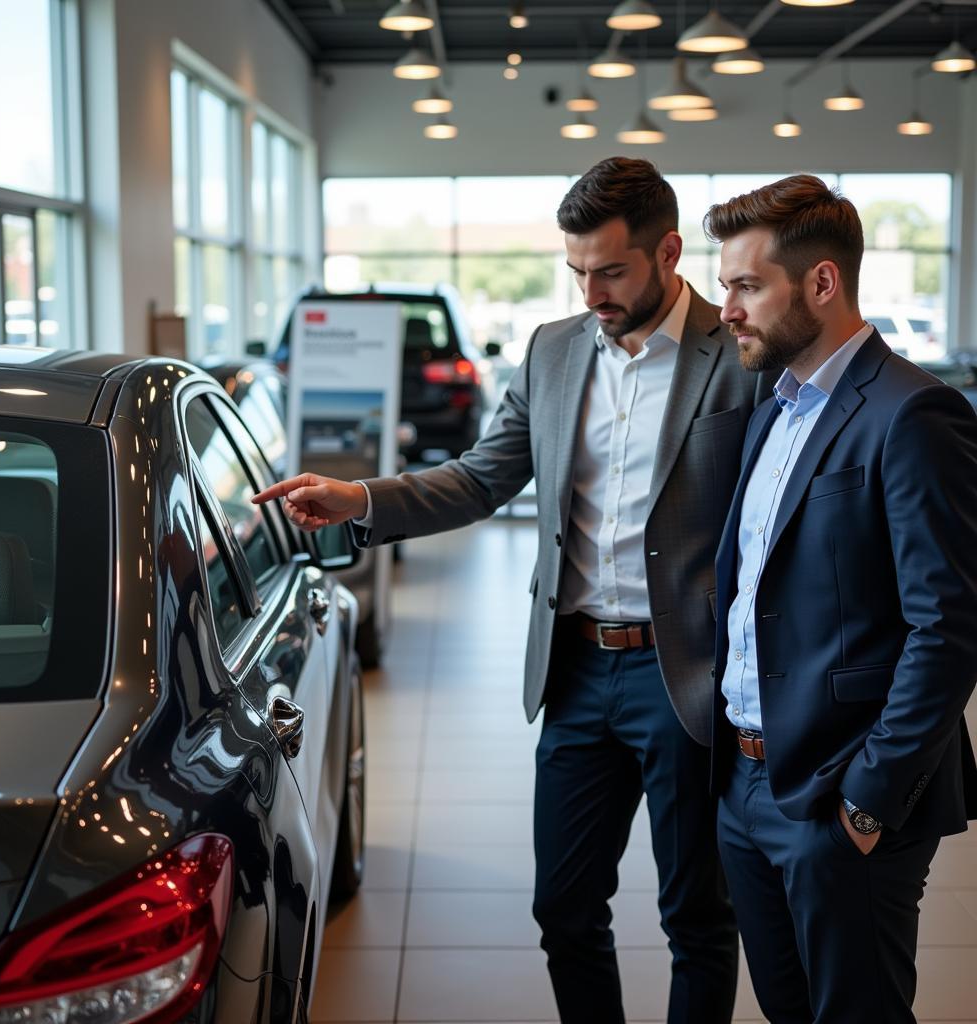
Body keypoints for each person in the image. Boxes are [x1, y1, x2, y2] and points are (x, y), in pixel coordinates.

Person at [254, 157, 772, 1024]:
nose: (591, 291)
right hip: (573, 672)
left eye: (610, 270)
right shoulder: (553, 350)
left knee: (698, 918)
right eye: (576, 271)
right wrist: (361, 500)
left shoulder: (737, 355)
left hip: (685, 674)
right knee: (564, 910)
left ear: (669, 251)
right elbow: (480, 478)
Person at [705, 174, 977, 1024]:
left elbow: (951, 626)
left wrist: (868, 800)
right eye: (726, 288)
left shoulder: (913, 413)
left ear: (821, 283)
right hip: (748, 785)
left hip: (840, 801)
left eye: (747, 286)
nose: (728, 310)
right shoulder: (770, 408)